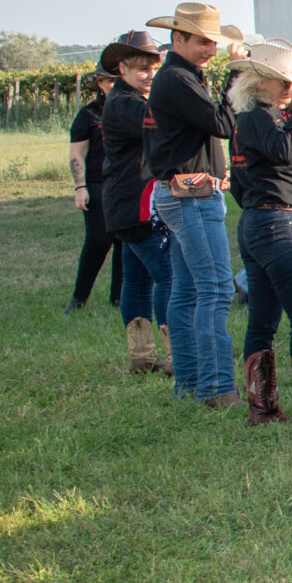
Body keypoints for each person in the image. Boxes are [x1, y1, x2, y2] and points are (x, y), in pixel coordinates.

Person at [143, 1, 245, 407]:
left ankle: (189, 382)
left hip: (182, 192)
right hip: (191, 195)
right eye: (202, 41)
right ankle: (217, 387)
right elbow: (222, 123)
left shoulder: (178, 76)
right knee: (216, 289)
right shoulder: (179, 80)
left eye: (212, 42)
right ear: (177, 38)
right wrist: (239, 77)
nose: (209, 49)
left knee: (186, 292)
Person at [227, 40, 292, 429]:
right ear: (257, 83)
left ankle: (263, 407)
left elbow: (241, 178)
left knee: (264, 318)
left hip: (259, 220)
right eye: (282, 82)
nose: (290, 90)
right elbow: (285, 150)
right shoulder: (262, 119)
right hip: (279, 224)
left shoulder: (250, 119)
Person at [97, 30, 172, 376]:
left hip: (126, 203)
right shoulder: (127, 103)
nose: (150, 75)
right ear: (122, 69)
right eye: (143, 68)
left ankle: (142, 358)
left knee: (137, 280)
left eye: (154, 68)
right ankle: (174, 355)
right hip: (136, 205)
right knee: (168, 276)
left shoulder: (125, 100)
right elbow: (162, 126)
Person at [66, 67, 125, 316]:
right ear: (100, 84)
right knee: (98, 241)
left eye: (117, 80)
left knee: (125, 241)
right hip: (97, 184)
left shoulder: (131, 110)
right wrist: (80, 187)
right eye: (109, 81)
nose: (114, 85)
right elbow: (76, 153)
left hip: (126, 185)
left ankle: (119, 298)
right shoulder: (88, 115)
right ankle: (79, 299)